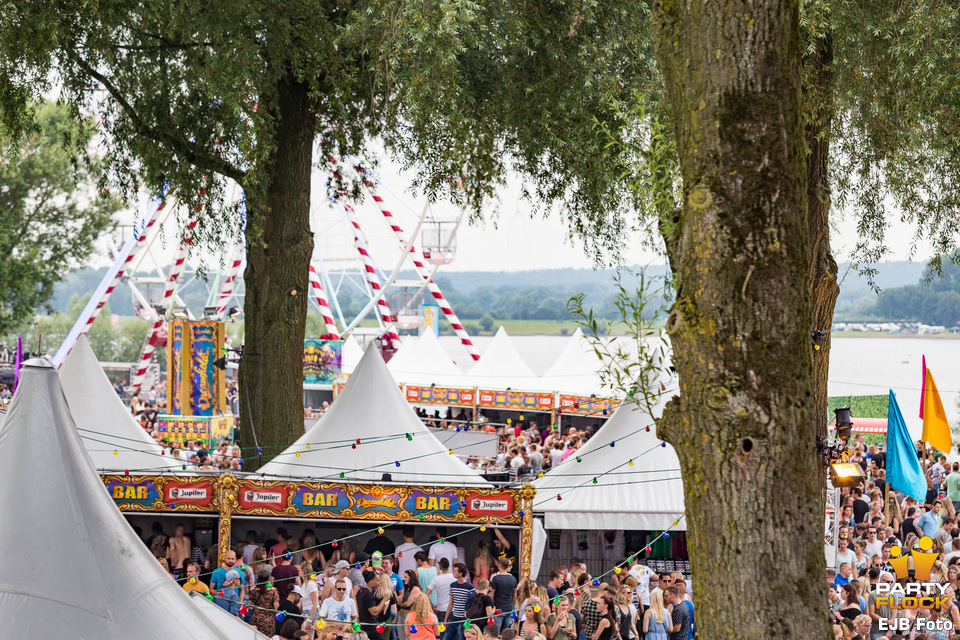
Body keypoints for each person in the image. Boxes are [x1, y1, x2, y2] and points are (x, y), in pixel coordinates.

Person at [357, 570, 393, 640]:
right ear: (371, 581)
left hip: (363, 626)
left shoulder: (361, 591)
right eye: (377, 580)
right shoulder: (368, 594)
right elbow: (374, 612)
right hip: (370, 628)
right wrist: (384, 600)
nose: (379, 582)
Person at [445, 563, 477, 640]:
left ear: (461, 573)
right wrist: (446, 619)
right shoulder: (452, 585)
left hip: (463, 618)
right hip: (454, 617)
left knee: (461, 637)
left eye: (455, 571)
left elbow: (472, 605)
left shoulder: (470, 587)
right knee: (446, 637)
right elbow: (450, 604)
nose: (453, 572)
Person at [211, 549, 246, 616]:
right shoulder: (216, 572)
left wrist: (240, 603)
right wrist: (223, 595)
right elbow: (211, 589)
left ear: (235, 559)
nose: (230, 561)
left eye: (232, 559)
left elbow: (242, 590)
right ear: (225, 558)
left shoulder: (239, 572)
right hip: (221, 604)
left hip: (235, 602)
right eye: (228, 558)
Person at [250, 569, 281, 636]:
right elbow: (276, 605)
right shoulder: (273, 591)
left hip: (256, 618)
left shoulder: (253, 591)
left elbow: (252, 604)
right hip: (268, 620)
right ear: (268, 579)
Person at [491, 557, 517, 632]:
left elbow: (492, 594)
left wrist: (492, 605)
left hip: (498, 608)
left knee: (496, 632)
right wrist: (512, 604)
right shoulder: (513, 579)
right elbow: (514, 594)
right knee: (508, 632)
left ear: (499, 565)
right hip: (509, 607)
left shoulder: (495, 578)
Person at [428, 558, 457, 626]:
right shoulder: (455, 578)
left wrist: (432, 606)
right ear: (449, 565)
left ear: (440, 566)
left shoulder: (436, 579)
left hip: (440, 609)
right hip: (453, 609)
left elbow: (426, 594)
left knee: (442, 631)